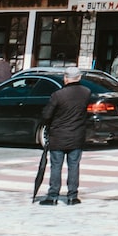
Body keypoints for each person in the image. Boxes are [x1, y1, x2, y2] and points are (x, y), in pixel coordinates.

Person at [38, 67, 90, 206]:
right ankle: (73, 196)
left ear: (66, 78)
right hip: (77, 135)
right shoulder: (86, 92)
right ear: (79, 78)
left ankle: (53, 196)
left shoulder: (58, 95)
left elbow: (47, 115)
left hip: (59, 135)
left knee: (56, 166)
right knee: (74, 166)